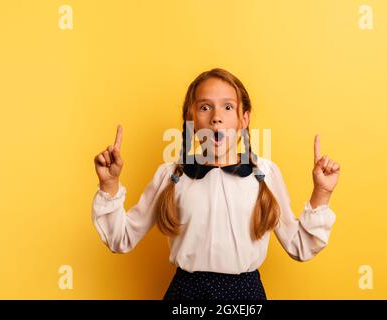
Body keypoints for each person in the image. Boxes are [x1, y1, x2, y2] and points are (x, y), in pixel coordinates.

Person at [92, 68, 341, 300]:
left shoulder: (265, 173)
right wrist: (110, 184)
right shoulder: (170, 175)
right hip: (186, 297)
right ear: (191, 118)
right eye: (204, 108)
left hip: (246, 298)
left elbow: (300, 247)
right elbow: (120, 239)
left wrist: (322, 192)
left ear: (244, 119)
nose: (216, 118)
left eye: (228, 107)